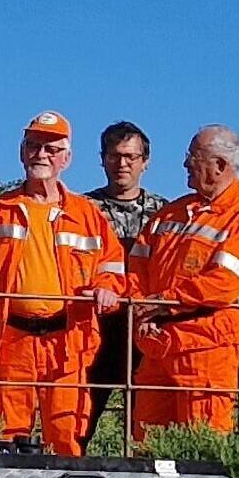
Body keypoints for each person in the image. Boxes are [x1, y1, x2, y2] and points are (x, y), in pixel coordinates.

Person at [0, 112, 126, 454]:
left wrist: (108, 287)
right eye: (34, 146)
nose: (41, 155)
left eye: (51, 148)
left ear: (67, 158)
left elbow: (113, 268)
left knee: (67, 432)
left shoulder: (88, 215)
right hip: (11, 340)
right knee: (4, 433)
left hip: (67, 341)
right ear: (22, 152)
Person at [130, 125, 239, 434]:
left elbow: (224, 283)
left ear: (219, 165)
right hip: (158, 346)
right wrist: (142, 307)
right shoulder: (171, 214)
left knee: (201, 448)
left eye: (192, 157)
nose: (185, 164)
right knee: (145, 443)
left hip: (206, 350)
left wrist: (163, 304)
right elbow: (137, 264)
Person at [82, 121, 165, 431]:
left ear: (145, 162)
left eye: (131, 156)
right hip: (96, 327)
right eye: (115, 155)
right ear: (102, 159)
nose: (122, 164)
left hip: (145, 327)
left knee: (147, 425)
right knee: (78, 421)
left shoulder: (165, 213)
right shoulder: (81, 209)